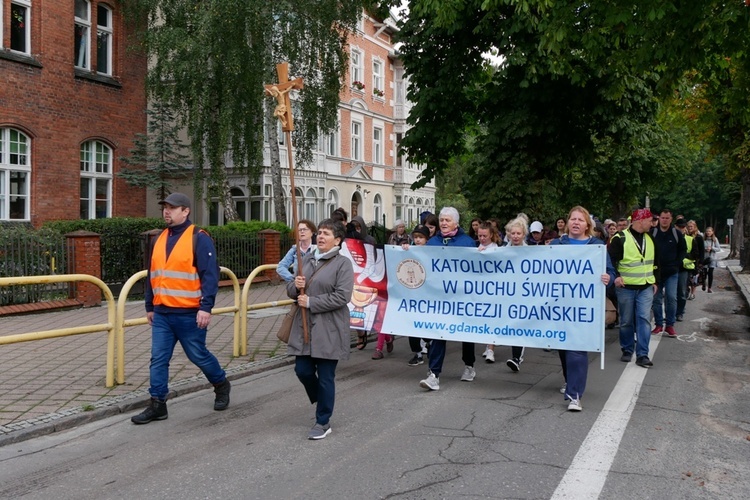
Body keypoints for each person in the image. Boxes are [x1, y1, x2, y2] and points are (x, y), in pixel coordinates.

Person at [132, 193, 230, 425]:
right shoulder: (159, 238)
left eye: (172, 208)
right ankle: (157, 404)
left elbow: (209, 276)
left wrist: (206, 307)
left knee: (198, 355)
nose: (167, 211)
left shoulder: (199, 237)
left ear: (185, 211)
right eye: (165, 207)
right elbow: (153, 275)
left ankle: (221, 384)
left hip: (189, 313)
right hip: (163, 312)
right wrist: (150, 305)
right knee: (158, 359)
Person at [287, 219, 354, 439]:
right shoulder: (306, 258)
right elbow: (291, 290)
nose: (321, 237)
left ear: (338, 239)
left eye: (326, 234)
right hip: (304, 327)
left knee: (326, 376)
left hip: (329, 328)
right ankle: (321, 397)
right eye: (320, 233)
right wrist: (295, 286)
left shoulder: (342, 264)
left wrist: (312, 302)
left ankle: (323, 421)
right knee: (302, 370)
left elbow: (342, 296)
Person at [549, 206, 615, 411]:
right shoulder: (555, 244)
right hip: (559, 306)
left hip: (583, 308)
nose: (576, 222)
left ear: (588, 225)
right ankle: (570, 380)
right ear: (567, 222)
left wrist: (608, 278)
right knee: (563, 346)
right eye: (573, 219)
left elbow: (610, 272)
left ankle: (575, 394)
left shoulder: (596, 246)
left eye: (580, 219)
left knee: (576, 347)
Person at [419, 207, 478, 390]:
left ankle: (469, 365)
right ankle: (434, 374)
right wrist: (406, 250)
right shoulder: (432, 243)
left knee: (466, 333)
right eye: (442, 220)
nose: (443, 223)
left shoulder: (467, 243)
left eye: (447, 220)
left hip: (462, 297)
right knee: (439, 333)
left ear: (456, 223)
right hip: (439, 298)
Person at [609, 208, 658, 368]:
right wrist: (616, 276)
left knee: (644, 319)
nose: (652, 223)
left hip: (645, 286)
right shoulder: (620, 238)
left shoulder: (650, 238)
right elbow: (610, 261)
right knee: (626, 321)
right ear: (641, 220)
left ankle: (642, 354)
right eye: (650, 220)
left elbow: (655, 261)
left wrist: (655, 280)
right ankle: (627, 349)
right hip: (626, 287)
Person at [651, 209, 686, 337]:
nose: (664, 220)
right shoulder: (652, 233)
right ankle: (659, 324)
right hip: (656, 272)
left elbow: (683, 250)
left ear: (671, 219)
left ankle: (670, 325)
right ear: (659, 218)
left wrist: (677, 262)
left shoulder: (676, 234)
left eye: (667, 218)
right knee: (656, 299)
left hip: (672, 271)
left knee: (671, 298)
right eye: (663, 217)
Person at [500, 217, 529, 371]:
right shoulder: (501, 251)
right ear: (508, 234)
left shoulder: (531, 252)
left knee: (519, 324)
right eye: (513, 233)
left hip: (523, 294)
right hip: (506, 294)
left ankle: (516, 357)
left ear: (523, 234)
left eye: (519, 233)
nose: (516, 236)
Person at [404, 225, 431, 366]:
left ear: (427, 239)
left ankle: (430, 343)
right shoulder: (410, 251)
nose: (418, 240)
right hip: (413, 294)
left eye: (421, 237)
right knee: (412, 326)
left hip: (427, 296)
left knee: (426, 324)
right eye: (416, 237)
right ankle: (418, 353)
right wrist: (403, 251)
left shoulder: (432, 252)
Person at [685, 220, 705, 301]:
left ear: (695, 227)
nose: (690, 228)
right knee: (687, 277)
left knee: (694, 277)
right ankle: (687, 290)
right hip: (687, 259)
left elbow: (701, 250)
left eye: (691, 227)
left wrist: (701, 262)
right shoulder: (685, 236)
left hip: (696, 260)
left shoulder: (699, 237)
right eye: (688, 227)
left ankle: (693, 293)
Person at [703, 227, 721, 293]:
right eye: (707, 231)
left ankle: (709, 288)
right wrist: (705, 249)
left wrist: (712, 248)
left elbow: (718, 248)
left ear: (712, 232)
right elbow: (700, 248)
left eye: (709, 231)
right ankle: (704, 284)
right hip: (705, 258)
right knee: (704, 273)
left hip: (712, 258)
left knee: (710, 273)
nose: (708, 233)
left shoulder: (715, 239)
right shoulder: (703, 239)